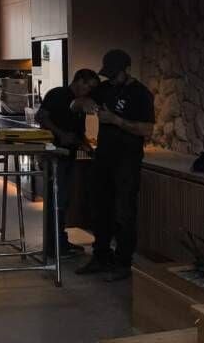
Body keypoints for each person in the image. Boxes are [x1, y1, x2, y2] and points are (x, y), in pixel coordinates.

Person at [77, 49, 155, 282]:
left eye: (115, 74)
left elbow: (147, 130)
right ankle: (100, 256)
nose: (111, 78)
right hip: (103, 158)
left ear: (127, 70)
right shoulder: (105, 88)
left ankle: (123, 263)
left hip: (127, 161)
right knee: (100, 209)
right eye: (108, 74)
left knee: (124, 213)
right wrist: (86, 103)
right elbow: (81, 100)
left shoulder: (141, 94)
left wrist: (116, 120)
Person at [35, 68, 99, 258]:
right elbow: (41, 117)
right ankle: (54, 245)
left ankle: (61, 241)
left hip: (70, 155)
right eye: (88, 86)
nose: (89, 91)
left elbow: (78, 131)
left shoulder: (81, 103)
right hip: (54, 154)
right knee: (57, 199)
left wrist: (86, 146)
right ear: (79, 81)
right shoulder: (57, 94)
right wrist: (60, 134)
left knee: (64, 199)